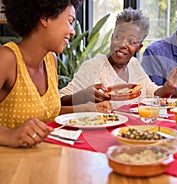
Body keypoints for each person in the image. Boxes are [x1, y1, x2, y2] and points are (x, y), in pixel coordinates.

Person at [0, 0, 112, 148]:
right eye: (69, 21)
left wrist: (88, 108)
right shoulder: (6, 59)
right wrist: (8, 134)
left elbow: (46, 111)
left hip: (43, 159)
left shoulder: (51, 60)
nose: (72, 31)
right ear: (45, 18)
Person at [60, 8, 177, 109]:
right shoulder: (94, 66)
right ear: (112, 37)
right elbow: (60, 99)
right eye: (118, 37)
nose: (122, 44)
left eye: (131, 41)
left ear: (138, 47)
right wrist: (84, 96)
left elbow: (152, 93)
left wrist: (169, 86)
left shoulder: (134, 65)